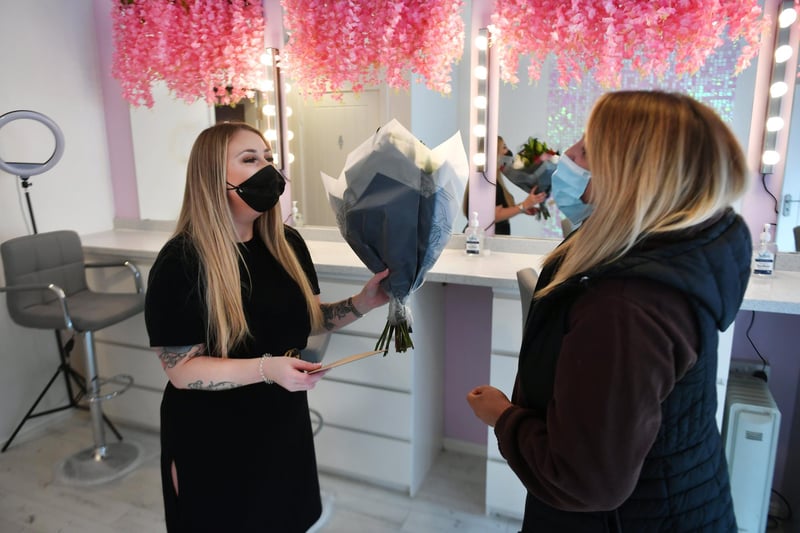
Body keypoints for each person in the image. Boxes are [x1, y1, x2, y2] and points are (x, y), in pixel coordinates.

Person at [467, 91, 751, 532]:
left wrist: (503, 416)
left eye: (586, 148)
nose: (569, 156)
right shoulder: (672, 256)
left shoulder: (625, 303)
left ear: (630, 174)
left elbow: (584, 480)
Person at [144, 122, 389, 532]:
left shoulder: (287, 243)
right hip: (213, 435)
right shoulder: (181, 262)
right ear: (211, 176)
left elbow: (311, 320)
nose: (268, 170)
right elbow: (182, 370)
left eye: (269, 158)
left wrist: (363, 302)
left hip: (280, 420)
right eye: (249, 159)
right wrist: (266, 368)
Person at [462, 136, 547, 235]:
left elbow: (496, 211)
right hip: (482, 241)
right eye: (504, 147)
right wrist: (524, 205)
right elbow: (494, 215)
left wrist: (521, 210)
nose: (508, 151)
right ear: (495, 153)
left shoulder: (492, 181)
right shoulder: (487, 183)